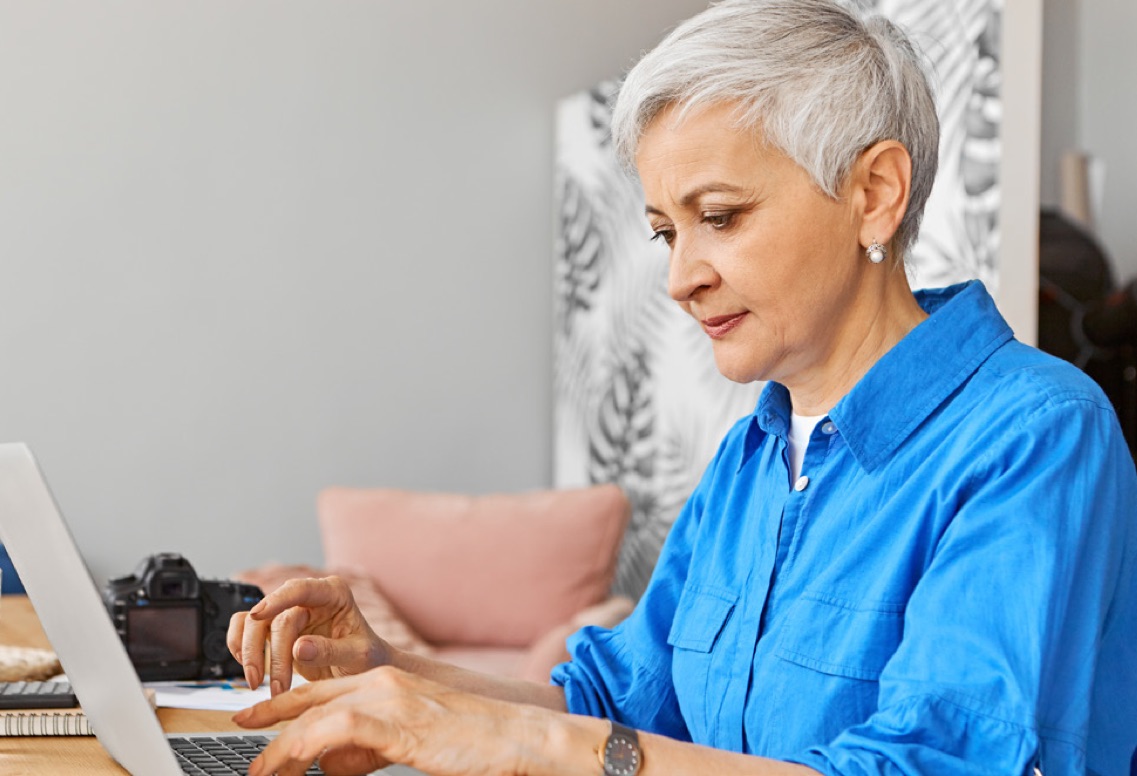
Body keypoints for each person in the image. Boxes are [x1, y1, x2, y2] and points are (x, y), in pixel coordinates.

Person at [227, 1, 1137, 773]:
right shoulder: (756, 453)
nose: (680, 277)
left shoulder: (1036, 435)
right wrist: (390, 672)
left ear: (874, 193)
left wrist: (523, 744)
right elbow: (608, 701)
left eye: (719, 217)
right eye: (668, 232)